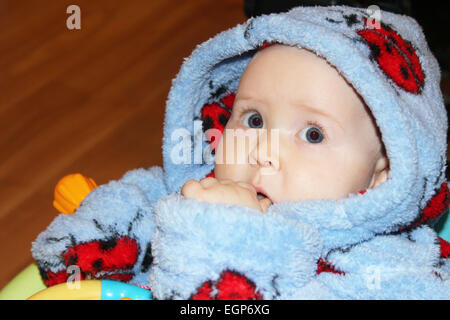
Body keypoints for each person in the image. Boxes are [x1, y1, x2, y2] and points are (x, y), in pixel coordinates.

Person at [32, 5, 450, 299]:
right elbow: (137, 202)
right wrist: (96, 232)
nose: (263, 151)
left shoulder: (395, 270)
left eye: (313, 134)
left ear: (384, 173)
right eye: (253, 120)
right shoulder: (195, 187)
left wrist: (226, 235)